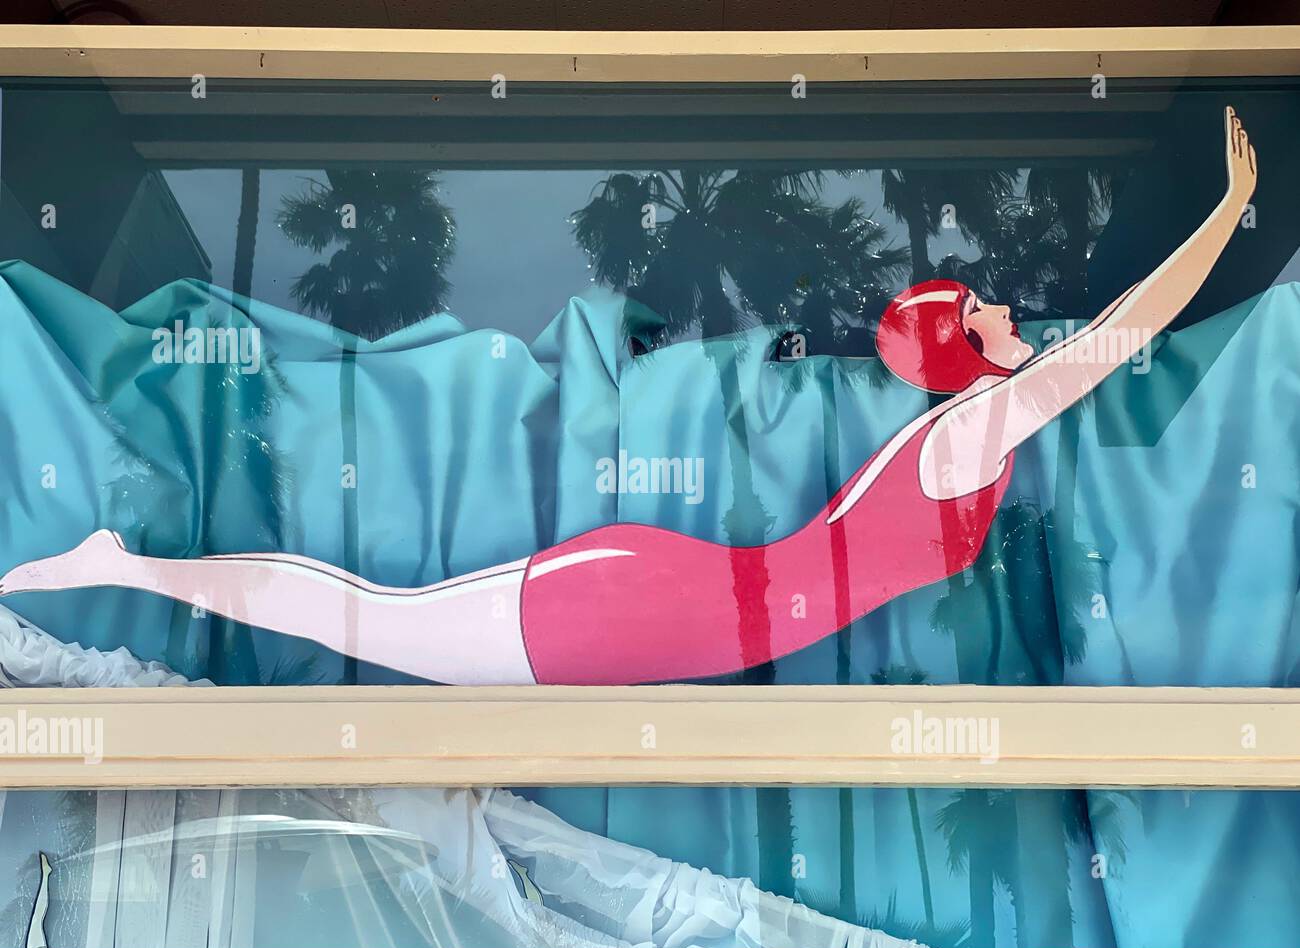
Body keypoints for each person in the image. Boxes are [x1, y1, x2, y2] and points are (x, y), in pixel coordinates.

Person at [0, 109, 1259, 686]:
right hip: (649, 614)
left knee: (367, 619)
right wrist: (1213, 224)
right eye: (982, 314)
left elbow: (1093, 349)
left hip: (670, 611)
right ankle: (132, 569)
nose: (1006, 317)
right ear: (958, 358)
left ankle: (134, 569)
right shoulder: (972, 434)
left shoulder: (958, 443)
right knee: (361, 620)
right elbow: (1107, 344)